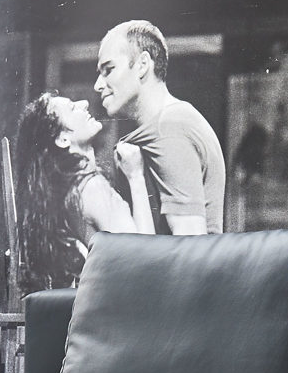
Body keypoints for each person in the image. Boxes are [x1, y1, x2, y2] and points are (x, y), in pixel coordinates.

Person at [93, 20, 225, 234]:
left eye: (109, 69)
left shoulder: (169, 129)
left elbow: (191, 242)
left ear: (142, 65)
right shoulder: (173, 121)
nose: (98, 85)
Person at [12, 91, 152, 293]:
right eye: (72, 107)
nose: (85, 103)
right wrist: (136, 176)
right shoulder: (91, 186)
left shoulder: (70, 190)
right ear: (62, 139)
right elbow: (145, 260)